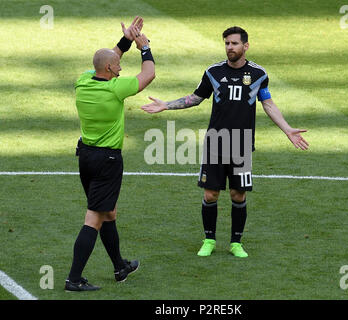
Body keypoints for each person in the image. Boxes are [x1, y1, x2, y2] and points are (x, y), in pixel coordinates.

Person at [141, 26, 309, 258]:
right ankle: (209, 239)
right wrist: (166, 104)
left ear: (245, 46)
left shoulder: (259, 74)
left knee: (238, 194)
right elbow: (196, 98)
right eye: (227, 43)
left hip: (242, 144)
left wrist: (287, 129)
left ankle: (236, 242)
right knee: (210, 194)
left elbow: (268, 104)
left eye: (234, 43)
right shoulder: (213, 72)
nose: (230, 47)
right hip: (215, 143)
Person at [65, 16, 155, 291]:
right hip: (107, 161)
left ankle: (120, 267)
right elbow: (148, 74)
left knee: (108, 212)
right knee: (94, 217)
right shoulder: (115, 89)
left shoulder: (83, 81)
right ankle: (74, 279)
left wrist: (125, 39)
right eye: (117, 66)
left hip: (87, 157)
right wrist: (144, 46)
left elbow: (108, 57)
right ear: (108, 69)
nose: (120, 66)